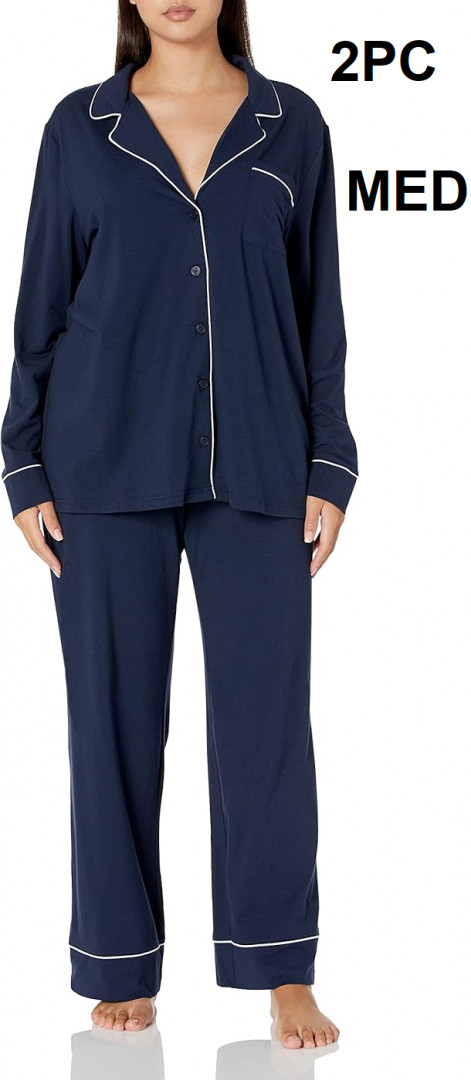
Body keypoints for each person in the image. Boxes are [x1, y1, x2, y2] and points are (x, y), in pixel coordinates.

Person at [1, 0, 358, 1050]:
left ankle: (279, 967)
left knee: (267, 726)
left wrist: (330, 459)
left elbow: (320, 308)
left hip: (260, 455)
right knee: (109, 722)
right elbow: (39, 306)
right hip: (101, 458)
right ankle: (118, 961)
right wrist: (22, 461)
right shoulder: (81, 127)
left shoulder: (292, 125)